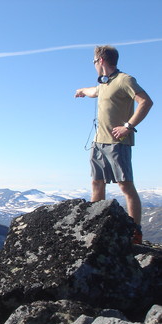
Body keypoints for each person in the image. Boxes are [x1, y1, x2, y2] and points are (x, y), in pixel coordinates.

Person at [75, 45, 153, 244]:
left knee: (125, 186)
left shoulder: (125, 80)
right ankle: (94, 225)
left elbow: (146, 102)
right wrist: (82, 90)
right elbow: (95, 92)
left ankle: (135, 233)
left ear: (100, 60)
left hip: (118, 143)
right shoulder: (105, 84)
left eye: (93, 61)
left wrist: (128, 126)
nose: (93, 65)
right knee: (96, 182)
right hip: (98, 142)